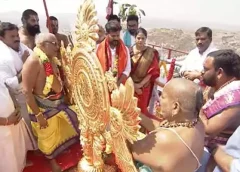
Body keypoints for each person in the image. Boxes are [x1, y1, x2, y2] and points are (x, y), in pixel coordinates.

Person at [22, 33, 80, 172]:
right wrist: (38, 115)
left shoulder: (51, 59)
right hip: (41, 108)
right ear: (41, 45)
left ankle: (61, 149)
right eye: (53, 43)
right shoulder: (33, 61)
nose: (57, 46)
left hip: (57, 103)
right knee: (46, 135)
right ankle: (52, 162)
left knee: (69, 121)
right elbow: (26, 92)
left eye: (57, 42)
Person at [129, 78, 205, 172]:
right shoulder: (197, 123)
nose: (159, 99)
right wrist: (136, 114)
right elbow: (163, 127)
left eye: (163, 96)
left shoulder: (165, 138)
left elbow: (130, 148)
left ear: (175, 107)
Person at [198, 49, 240, 171]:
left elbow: (208, 130)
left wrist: (197, 107)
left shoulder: (235, 95)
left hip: (214, 155)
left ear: (219, 72)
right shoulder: (218, 87)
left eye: (206, 69)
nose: (201, 72)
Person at [0, 22, 36, 138]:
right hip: (18, 100)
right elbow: (11, 85)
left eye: (17, 36)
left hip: (33, 92)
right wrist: (26, 65)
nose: (16, 39)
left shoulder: (21, 47)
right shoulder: (3, 59)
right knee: (28, 127)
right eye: (12, 36)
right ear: (2, 38)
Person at [0, 62, 35, 172]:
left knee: (17, 143)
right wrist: (6, 121)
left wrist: (16, 105)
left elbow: (6, 88)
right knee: (7, 152)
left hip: (13, 117)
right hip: (3, 125)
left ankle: (21, 164)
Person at [130, 28, 160, 115]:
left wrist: (140, 85)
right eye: (138, 38)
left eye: (143, 38)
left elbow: (152, 72)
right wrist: (134, 85)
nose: (140, 40)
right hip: (130, 85)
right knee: (129, 110)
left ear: (146, 39)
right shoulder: (129, 51)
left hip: (143, 87)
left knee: (141, 112)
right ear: (135, 38)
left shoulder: (151, 53)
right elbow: (125, 69)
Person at [96, 21, 131, 86]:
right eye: (113, 36)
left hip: (119, 87)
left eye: (118, 35)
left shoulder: (125, 50)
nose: (116, 38)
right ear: (106, 34)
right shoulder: (98, 49)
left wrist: (117, 84)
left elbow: (127, 70)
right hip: (103, 86)